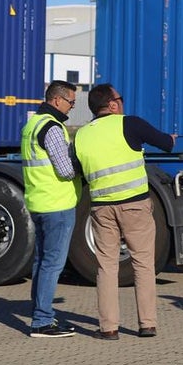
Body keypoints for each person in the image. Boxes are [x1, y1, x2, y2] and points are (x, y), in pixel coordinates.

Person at [72, 84, 176, 340]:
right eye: (120, 98)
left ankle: (108, 328)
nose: (122, 103)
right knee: (142, 263)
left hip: (101, 208)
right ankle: (147, 324)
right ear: (113, 105)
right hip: (135, 205)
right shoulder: (129, 124)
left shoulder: (81, 135)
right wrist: (171, 139)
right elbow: (165, 144)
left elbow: (75, 169)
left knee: (106, 267)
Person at [22, 80, 83, 338]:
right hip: (57, 204)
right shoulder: (51, 127)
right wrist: (83, 167)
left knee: (41, 262)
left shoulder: (32, 124)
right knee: (52, 264)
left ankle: (40, 312)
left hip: (39, 201)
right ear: (57, 100)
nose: (72, 107)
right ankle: (42, 321)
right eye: (71, 102)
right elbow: (65, 169)